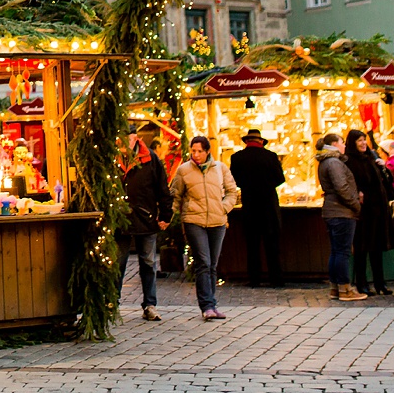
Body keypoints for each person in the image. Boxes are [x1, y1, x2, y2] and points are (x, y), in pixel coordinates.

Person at [169, 135, 239, 321]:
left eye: (200, 151)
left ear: (208, 151)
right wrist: (168, 216)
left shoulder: (220, 169)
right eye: (193, 151)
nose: (196, 155)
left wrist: (223, 208)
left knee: (213, 265)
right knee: (203, 262)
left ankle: (212, 303)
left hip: (217, 221)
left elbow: (233, 192)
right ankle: (206, 306)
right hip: (194, 220)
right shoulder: (184, 170)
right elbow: (176, 195)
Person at [121, 131, 172, 321]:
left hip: (145, 217)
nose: (122, 142)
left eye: (126, 138)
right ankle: (112, 304)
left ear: (135, 138)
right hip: (121, 218)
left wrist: (165, 215)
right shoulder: (113, 158)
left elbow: (162, 188)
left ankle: (150, 304)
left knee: (148, 263)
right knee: (117, 264)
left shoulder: (150, 159)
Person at [229, 128, 285, 288]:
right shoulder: (271, 157)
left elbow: (234, 180)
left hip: (250, 205)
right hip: (269, 206)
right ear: (261, 141)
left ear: (247, 141)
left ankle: (254, 278)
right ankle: (276, 278)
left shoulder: (237, 158)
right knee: (272, 244)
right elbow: (280, 178)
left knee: (252, 245)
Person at [345, 129, 394, 296]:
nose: (363, 144)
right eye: (359, 140)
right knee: (362, 248)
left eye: (364, 140)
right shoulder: (350, 161)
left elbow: (387, 180)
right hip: (363, 211)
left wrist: (384, 167)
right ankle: (362, 283)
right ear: (352, 142)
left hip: (378, 209)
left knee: (377, 247)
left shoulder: (371, 158)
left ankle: (380, 283)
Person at [316, 133, 366, 301]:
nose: (344, 145)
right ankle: (345, 289)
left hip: (332, 210)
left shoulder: (326, 161)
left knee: (336, 251)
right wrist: (355, 204)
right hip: (341, 211)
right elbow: (341, 187)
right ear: (335, 144)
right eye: (342, 142)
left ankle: (335, 287)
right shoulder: (334, 163)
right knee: (343, 251)